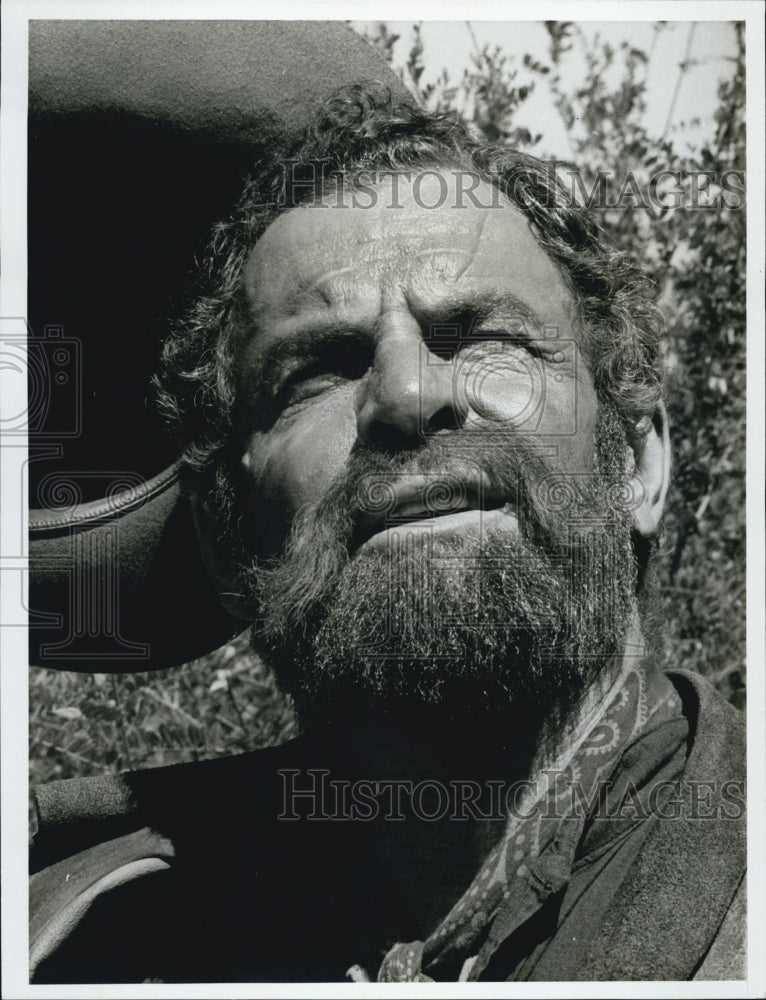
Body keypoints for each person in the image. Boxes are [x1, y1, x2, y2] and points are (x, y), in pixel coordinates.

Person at [29, 87, 745, 984]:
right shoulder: (77, 930)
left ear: (636, 461)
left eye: (484, 339)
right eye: (318, 371)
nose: (409, 394)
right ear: (223, 529)